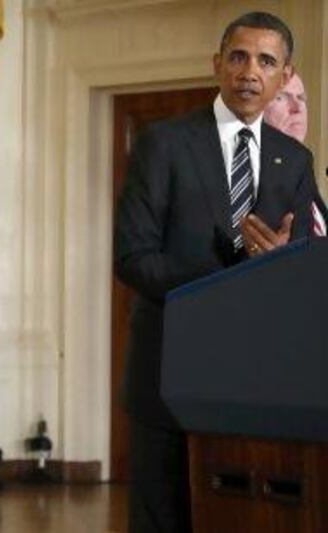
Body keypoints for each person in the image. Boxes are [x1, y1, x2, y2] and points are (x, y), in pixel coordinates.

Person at [114, 11, 317, 533]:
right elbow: (133, 257)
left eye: (266, 61)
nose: (250, 71)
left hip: (256, 385)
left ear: (283, 75)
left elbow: (297, 280)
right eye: (239, 56)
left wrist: (276, 268)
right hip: (167, 371)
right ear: (218, 65)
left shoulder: (294, 160)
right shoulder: (164, 143)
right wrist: (231, 279)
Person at [263, 72, 327, 235]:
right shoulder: (248, 175)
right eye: (281, 98)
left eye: (301, 98)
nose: (297, 109)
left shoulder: (301, 167)